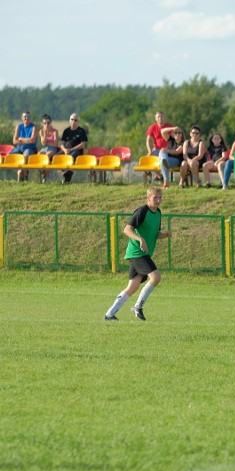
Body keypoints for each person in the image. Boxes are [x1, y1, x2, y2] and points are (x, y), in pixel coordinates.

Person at [103, 186, 172, 322]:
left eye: (160, 197)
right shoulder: (142, 211)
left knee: (133, 286)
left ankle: (109, 314)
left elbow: (155, 234)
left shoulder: (158, 213)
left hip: (143, 253)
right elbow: (127, 229)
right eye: (155, 197)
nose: (158, 200)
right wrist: (140, 239)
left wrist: (165, 234)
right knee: (156, 277)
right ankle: (137, 307)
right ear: (148, 198)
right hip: (137, 252)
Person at [59, 113, 88, 183]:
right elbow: (61, 143)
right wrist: (65, 150)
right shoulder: (66, 131)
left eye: (75, 120)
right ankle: (66, 172)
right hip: (66, 150)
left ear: (78, 122)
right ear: (69, 120)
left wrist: (71, 149)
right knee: (56, 157)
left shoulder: (81, 131)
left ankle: (67, 173)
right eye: (72, 119)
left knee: (71, 156)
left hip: (76, 151)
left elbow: (83, 144)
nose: (73, 121)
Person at [9, 111, 38, 182]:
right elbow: (14, 141)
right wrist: (27, 140)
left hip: (29, 148)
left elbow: (33, 140)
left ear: (30, 118)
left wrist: (21, 139)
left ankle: (22, 173)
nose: (26, 119)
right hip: (19, 148)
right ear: (22, 118)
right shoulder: (19, 127)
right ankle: (22, 172)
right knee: (9, 156)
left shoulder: (34, 127)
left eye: (28, 117)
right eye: (25, 117)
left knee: (26, 155)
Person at [146, 111, 173, 182]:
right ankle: (159, 176)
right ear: (156, 119)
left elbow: (174, 138)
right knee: (148, 159)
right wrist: (149, 151)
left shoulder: (169, 126)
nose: (160, 118)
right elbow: (148, 140)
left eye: (162, 116)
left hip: (167, 150)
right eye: (158, 117)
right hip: (157, 149)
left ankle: (163, 178)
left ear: (164, 118)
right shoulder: (152, 127)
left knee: (163, 160)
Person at [38, 114, 60, 183]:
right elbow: (43, 143)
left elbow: (55, 144)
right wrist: (45, 134)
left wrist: (47, 143)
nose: (46, 125)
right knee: (39, 155)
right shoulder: (41, 131)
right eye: (45, 123)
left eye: (48, 123)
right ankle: (42, 173)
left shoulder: (55, 131)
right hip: (44, 148)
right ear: (42, 123)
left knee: (46, 156)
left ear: (51, 123)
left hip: (52, 149)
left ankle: (46, 176)